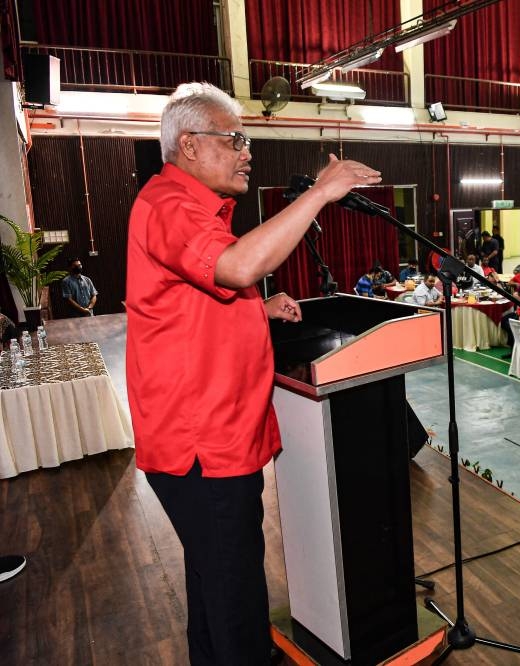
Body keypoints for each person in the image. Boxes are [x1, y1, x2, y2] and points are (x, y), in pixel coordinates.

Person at [126, 82, 382, 665]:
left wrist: (258, 310)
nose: (247, 151)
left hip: (219, 433)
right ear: (188, 145)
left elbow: (190, 297)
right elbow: (238, 266)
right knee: (238, 596)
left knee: (214, 584)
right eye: (234, 139)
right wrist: (319, 194)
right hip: (203, 444)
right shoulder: (170, 203)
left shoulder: (190, 206)